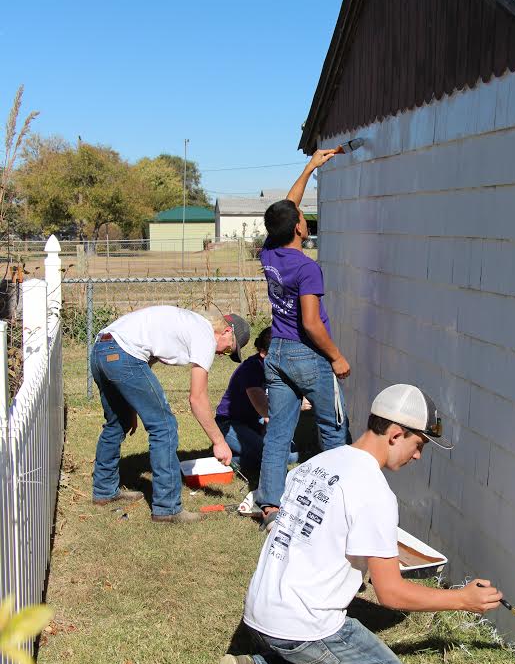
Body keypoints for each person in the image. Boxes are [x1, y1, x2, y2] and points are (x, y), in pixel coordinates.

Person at [213, 384, 502, 664]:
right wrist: (462, 600)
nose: (418, 456)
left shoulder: (318, 463)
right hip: (300, 627)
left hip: (258, 616)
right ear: (396, 435)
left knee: (326, 654)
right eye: (419, 445)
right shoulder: (373, 491)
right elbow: (391, 594)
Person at [256, 149, 351, 530]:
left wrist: (310, 167)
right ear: (299, 228)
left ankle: (270, 507)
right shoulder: (307, 267)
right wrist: (337, 357)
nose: (303, 219)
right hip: (306, 353)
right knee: (332, 428)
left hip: (276, 353)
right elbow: (311, 324)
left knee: (279, 432)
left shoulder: (269, 253)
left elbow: (287, 208)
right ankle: (340, 505)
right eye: (301, 219)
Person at [91, 305, 250, 524]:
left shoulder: (188, 323)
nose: (223, 354)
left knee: (116, 424)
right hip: (124, 354)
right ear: (226, 332)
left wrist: (133, 406)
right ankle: (167, 508)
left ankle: (104, 490)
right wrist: (219, 441)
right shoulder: (205, 334)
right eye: (230, 349)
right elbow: (197, 398)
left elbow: (148, 355)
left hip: (101, 348)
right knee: (163, 426)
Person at [215, 326, 308, 471]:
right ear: (264, 353)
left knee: (290, 453)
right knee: (284, 456)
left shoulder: (278, 368)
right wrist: (297, 404)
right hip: (229, 425)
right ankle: (224, 462)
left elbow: (269, 414)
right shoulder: (251, 369)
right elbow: (264, 410)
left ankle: (242, 453)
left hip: (254, 421)